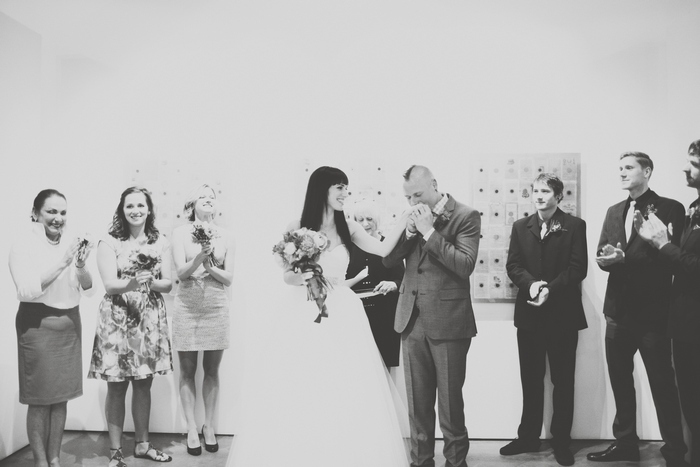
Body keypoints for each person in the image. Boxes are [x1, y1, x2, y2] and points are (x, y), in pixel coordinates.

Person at [226, 166, 409, 467]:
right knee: (301, 383)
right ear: (321, 189)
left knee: (345, 384)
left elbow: (384, 248)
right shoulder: (297, 226)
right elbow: (286, 276)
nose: (345, 193)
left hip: (343, 313)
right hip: (301, 312)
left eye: (346, 188)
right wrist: (304, 277)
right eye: (339, 187)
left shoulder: (349, 227)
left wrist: (403, 219)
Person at [587, 152, 688, 466]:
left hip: (653, 314)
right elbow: (604, 251)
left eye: (628, 168)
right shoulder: (614, 210)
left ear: (647, 171)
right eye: (619, 168)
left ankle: (674, 451)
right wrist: (605, 259)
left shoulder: (671, 207)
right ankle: (625, 444)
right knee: (620, 382)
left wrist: (623, 260)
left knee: (662, 384)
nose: (622, 173)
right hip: (617, 312)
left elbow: (670, 257)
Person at [383, 165, 481, 467]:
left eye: (418, 194)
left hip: (450, 320)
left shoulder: (466, 215)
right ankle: (420, 462)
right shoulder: (410, 216)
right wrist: (410, 232)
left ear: (434, 184)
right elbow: (387, 260)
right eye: (408, 196)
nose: (413, 202)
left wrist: (428, 231)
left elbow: (464, 264)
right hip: (411, 320)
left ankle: (456, 462)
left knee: (451, 403)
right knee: (417, 404)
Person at [500, 173, 587, 466]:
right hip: (529, 315)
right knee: (531, 379)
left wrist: (550, 287)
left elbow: (578, 269)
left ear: (558, 196)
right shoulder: (520, 227)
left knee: (563, 381)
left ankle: (561, 441)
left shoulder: (574, 225)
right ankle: (527, 437)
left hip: (563, 316)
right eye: (535, 190)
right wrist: (532, 284)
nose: (539, 196)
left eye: (545, 191)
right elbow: (513, 265)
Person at [87, 187, 173, 467]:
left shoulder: (161, 241)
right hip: (117, 316)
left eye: (140, 205)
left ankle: (143, 445)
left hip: (148, 317)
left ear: (149, 209)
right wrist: (135, 281)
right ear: (121, 210)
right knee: (116, 386)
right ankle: (115, 453)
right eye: (129, 206)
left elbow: (168, 283)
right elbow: (110, 285)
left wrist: (147, 281)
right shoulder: (109, 241)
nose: (135, 210)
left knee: (144, 384)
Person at [9, 189, 93, 467]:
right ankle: (40, 462)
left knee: (60, 397)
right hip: (37, 324)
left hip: (69, 324)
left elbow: (89, 290)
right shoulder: (23, 244)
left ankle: (55, 459)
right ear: (36, 213)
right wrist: (64, 262)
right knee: (39, 398)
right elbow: (28, 289)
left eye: (63, 212)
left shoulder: (71, 242)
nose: (58, 218)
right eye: (51, 212)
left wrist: (79, 265)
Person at [634, 139, 700, 467]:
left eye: (695, 163)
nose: (686, 169)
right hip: (684, 323)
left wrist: (662, 244)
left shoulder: (675, 207)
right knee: (689, 401)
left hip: (688, 322)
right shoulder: (693, 208)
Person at [171, 184, 234, 456]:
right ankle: (191, 428)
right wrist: (200, 257)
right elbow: (182, 274)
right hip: (186, 304)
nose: (208, 202)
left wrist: (209, 266)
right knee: (186, 370)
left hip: (216, 304)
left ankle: (209, 426)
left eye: (212, 198)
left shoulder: (226, 234)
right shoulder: (180, 233)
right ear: (191, 204)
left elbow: (229, 278)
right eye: (203, 198)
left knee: (211, 370)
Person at [346, 200, 404, 368]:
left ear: (378, 220)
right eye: (360, 219)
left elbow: (402, 279)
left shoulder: (388, 246)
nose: (365, 224)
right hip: (356, 316)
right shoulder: (348, 248)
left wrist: (393, 284)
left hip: (384, 316)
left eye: (370, 219)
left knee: (385, 368)